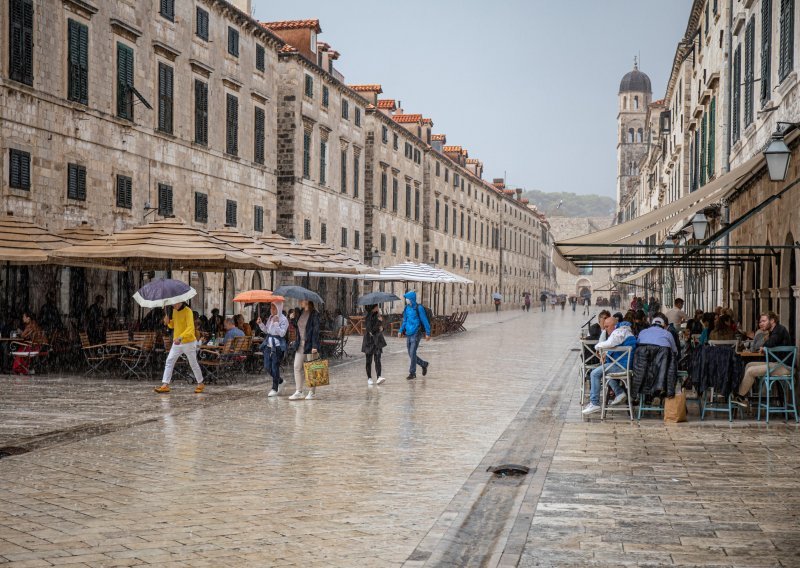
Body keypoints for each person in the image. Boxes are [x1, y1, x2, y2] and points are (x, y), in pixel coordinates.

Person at [732, 312, 794, 407]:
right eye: (760, 321)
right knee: (749, 365)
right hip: (776, 364)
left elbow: (771, 343)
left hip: (785, 367)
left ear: (772, 321)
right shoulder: (774, 331)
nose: (761, 324)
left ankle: (739, 396)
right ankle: (742, 394)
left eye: (764, 321)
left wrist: (764, 347)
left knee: (751, 371)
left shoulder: (779, 330)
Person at [582, 315, 637, 415]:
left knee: (594, 373)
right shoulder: (625, 331)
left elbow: (610, 343)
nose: (605, 329)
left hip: (621, 366)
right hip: (624, 365)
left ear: (614, 325)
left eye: (607, 326)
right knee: (604, 372)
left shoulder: (619, 332)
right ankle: (620, 393)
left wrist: (597, 346)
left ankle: (594, 403)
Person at [154, 302, 205, 394]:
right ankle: (165, 385)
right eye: (172, 303)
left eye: (175, 303)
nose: (173, 305)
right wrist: (168, 321)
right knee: (169, 361)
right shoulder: (174, 310)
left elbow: (190, 328)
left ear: (180, 301)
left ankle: (200, 383)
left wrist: (181, 337)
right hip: (177, 342)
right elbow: (174, 325)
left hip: (188, 342)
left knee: (193, 363)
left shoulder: (188, 311)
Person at [288, 300, 321, 400]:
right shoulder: (301, 312)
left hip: (310, 345)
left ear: (307, 301)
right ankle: (299, 391)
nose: (299, 301)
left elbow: (316, 330)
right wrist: (292, 319)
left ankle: (312, 392)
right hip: (300, 344)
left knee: (312, 368)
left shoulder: (314, 314)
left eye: (302, 300)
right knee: (297, 367)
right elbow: (298, 328)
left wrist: (315, 345)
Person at [258, 301, 288, 397]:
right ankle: (280, 381)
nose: (271, 309)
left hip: (278, 346)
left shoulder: (284, 319)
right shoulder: (270, 317)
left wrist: (276, 323)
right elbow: (267, 330)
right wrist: (260, 324)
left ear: (278, 308)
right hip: (268, 345)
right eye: (271, 307)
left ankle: (274, 388)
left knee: (275, 367)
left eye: (274, 308)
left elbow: (282, 333)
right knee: (267, 366)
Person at [399, 291, 431, 380]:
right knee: (410, 354)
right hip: (408, 333)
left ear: (411, 299)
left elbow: (424, 320)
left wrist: (428, 333)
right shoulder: (406, 308)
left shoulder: (419, 308)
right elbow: (405, 320)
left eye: (407, 298)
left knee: (412, 352)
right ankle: (424, 364)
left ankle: (412, 373)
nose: (406, 300)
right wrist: (400, 330)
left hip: (417, 332)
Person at [362, 304, 387, 386]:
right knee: (368, 360)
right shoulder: (368, 317)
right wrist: (379, 322)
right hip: (369, 341)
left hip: (377, 340)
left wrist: (382, 327)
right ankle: (369, 378)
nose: (378, 308)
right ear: (373, 308)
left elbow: (382, 327)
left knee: (378, 359)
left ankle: (379, 376)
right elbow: (371, 330)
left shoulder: (377, 315)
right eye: (376, 307)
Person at [12, 311, 41, 375]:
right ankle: (24, 369)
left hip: (31, 348)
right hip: (36, 346)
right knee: (21, 347)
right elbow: (27, 335)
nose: (23, 318)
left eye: (24, 317)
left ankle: (20, 369)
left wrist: (19, 331)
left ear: (28, 318)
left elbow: (23, 336)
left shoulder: (29, 326)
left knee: (19, 348)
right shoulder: (34, 324)